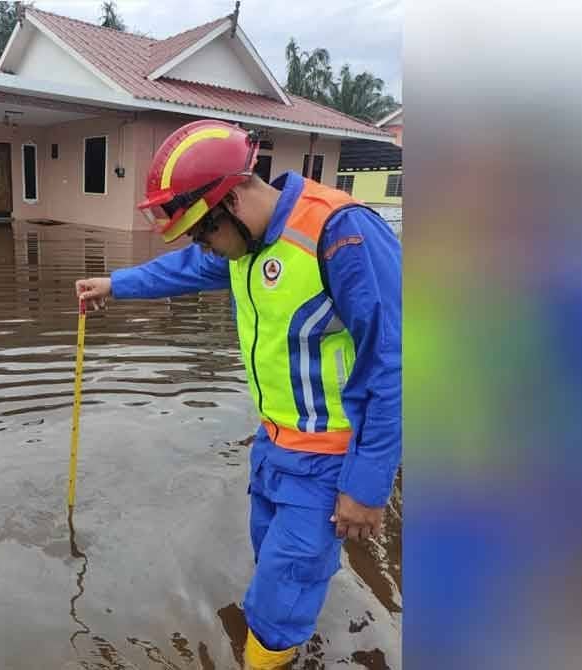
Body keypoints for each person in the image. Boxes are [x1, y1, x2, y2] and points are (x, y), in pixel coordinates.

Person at [75, 120, 401, 670]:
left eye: (205, 231)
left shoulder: (341, 235)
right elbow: (189, 268)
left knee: (278, 599)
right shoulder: (242, 246)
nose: (206, 247)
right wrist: (117, 284)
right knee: (272, 567)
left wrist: (367, 487)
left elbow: (393, 360)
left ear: (231, 200)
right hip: (272, 448)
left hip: (328, 460)